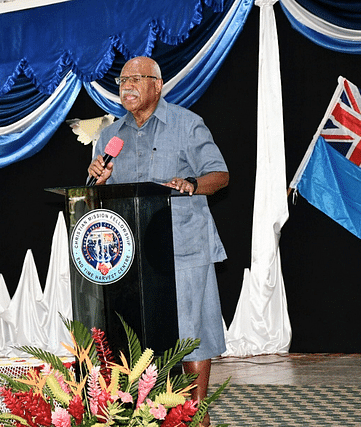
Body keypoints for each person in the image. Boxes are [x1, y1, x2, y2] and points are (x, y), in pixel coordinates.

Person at [87, 56, 228, 426]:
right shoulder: (110, 136)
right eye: (122, 80)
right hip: (132, 254)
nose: (126, 85)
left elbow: (220, 174)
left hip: (184, 247)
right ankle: (150, 407)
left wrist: (192, 184)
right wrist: (97, 182)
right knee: (142, 335)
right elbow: (97, 195)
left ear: (157, 85)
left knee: (192, 332)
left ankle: (197, 413)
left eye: (136, 79)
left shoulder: (187, 124)